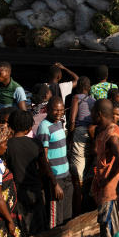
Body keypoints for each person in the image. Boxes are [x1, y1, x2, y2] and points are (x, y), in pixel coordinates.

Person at [6, 109, 60, 237]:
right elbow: (45, 167)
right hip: (34, 190)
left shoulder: (7, 145)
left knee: (22, 227)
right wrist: (54, 183)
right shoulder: (35, 143)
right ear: (29, 128)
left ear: (11, 125)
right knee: (38, 226)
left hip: (16, 193)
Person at [91, 100, 119, 237]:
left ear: (99, 114)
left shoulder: (112, 134)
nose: (91, 115)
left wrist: (107, 180)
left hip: (111, 192)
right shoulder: (108, 131)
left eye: (93, 112)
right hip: (114, 190)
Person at [37, 97, 74, 228]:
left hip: (66, 175)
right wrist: (54, 184)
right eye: (55, 110)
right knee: (55, 220)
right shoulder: (44, 127)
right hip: (55, 180)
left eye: (61, 110)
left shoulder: (58, 123)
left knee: (67, 216)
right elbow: (43, 158)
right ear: (48, 110)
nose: (59, 113)